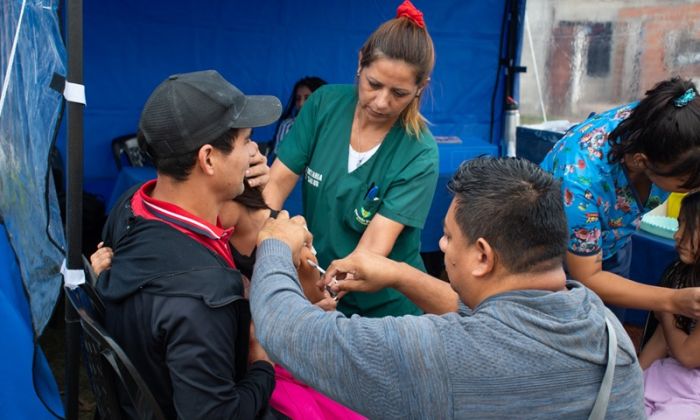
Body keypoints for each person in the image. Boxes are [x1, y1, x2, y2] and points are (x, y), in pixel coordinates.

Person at [250, 157, 645, 418]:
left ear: (483, 256)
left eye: (448, 237)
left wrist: (274, 243)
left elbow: (288, 330)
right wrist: (400, 274)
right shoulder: (610, 334)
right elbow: (501, 321)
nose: (440, 247)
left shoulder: (439, 355)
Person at [94, 70, 282, 419]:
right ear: (208, 158)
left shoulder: (131, 203)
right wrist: (260, 363)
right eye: (246, 141)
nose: (256, 152)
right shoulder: (202, 297)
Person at [264, 0, 439, 318]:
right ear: (360, 63)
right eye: (373, 85)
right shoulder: (323, 105)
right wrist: (261, 248)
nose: (382, 102)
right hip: (320, 290)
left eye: (398, 93)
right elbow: (274, 186)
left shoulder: (419, 152)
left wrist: (310, 288)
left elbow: (370, 253)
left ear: (420, 88)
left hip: (386, 309)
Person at [541, 77, 700, 319]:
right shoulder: (579, 183)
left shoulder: (667, 118)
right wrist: (672, 300)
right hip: (556, 253)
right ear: (642, 162)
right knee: (574, 330)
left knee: (612, 324)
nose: (694, 189)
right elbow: (589, 277)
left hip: (614, 240)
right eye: (687, 184)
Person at [638, 191, 700, 418]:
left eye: (690, 228)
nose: (677, 235)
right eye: (679, 224)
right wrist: (632, 379)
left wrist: (666, 308)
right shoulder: (680, 272)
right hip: (665, 376)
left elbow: (689, 356)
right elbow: (663, 337)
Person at [269, 76, 327, 158]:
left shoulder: (331, 125)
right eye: (298, 99)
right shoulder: (288, 126)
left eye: (307, 98)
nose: (301, 103)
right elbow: (280, 158)